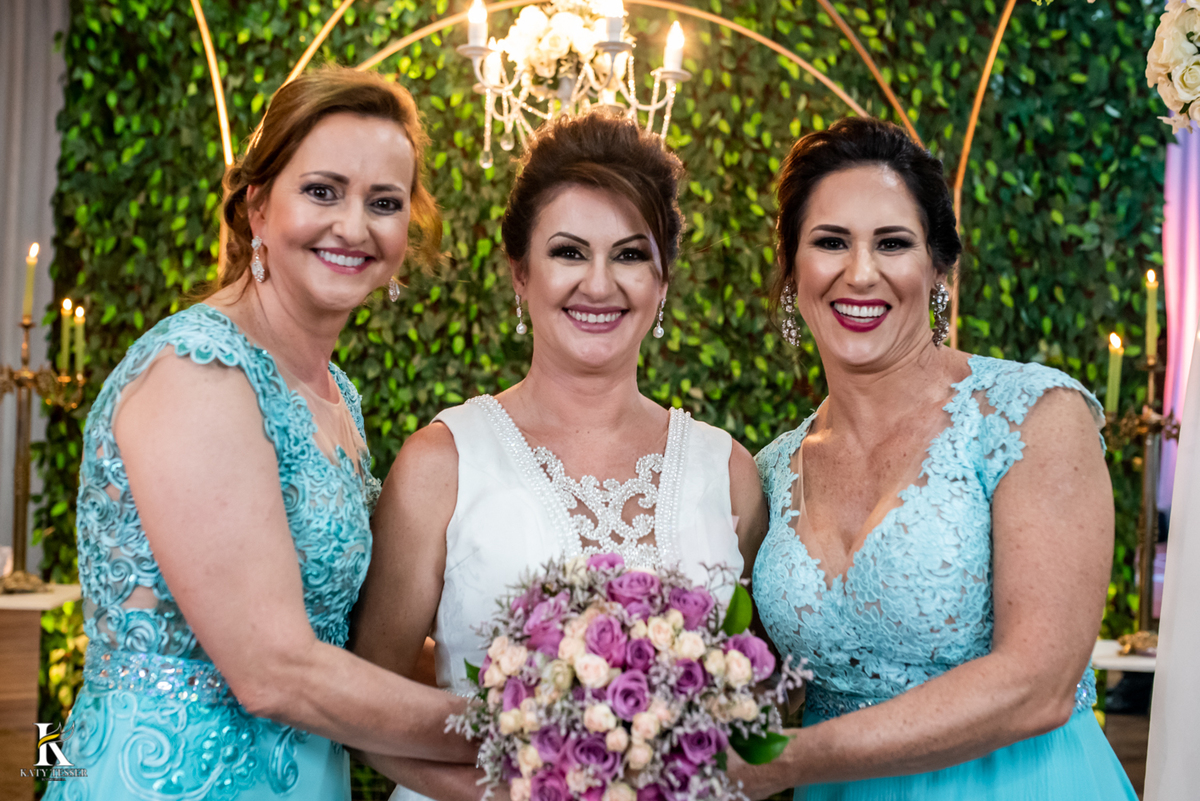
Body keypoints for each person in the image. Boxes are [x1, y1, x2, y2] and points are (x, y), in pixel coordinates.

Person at [47, 68, 476, 800]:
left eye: (384, 202)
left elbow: (337, 632)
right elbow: (273, 669)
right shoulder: (197, 373)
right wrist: (516, 728)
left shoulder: (335, 394)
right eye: (322, 190)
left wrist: (553, 673)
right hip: (170, 780)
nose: (353, 225)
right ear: (257, 207)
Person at [350, 112, 768, 801]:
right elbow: (371, 703)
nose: (599, 284)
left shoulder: (728, 473)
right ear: (521, 272)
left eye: (631, 255)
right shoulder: (441, 462)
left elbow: (753, 707)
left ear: (663, 281)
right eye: (569, 252)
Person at [734, 117, 1137, 800]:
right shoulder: (773, 468)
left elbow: (1039, 685)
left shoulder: (1031, 414)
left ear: (940, 269)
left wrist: (790, 759)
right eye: (830, 242)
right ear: (792, 271)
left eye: (892, 243)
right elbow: (754, 681)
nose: (860, 271)